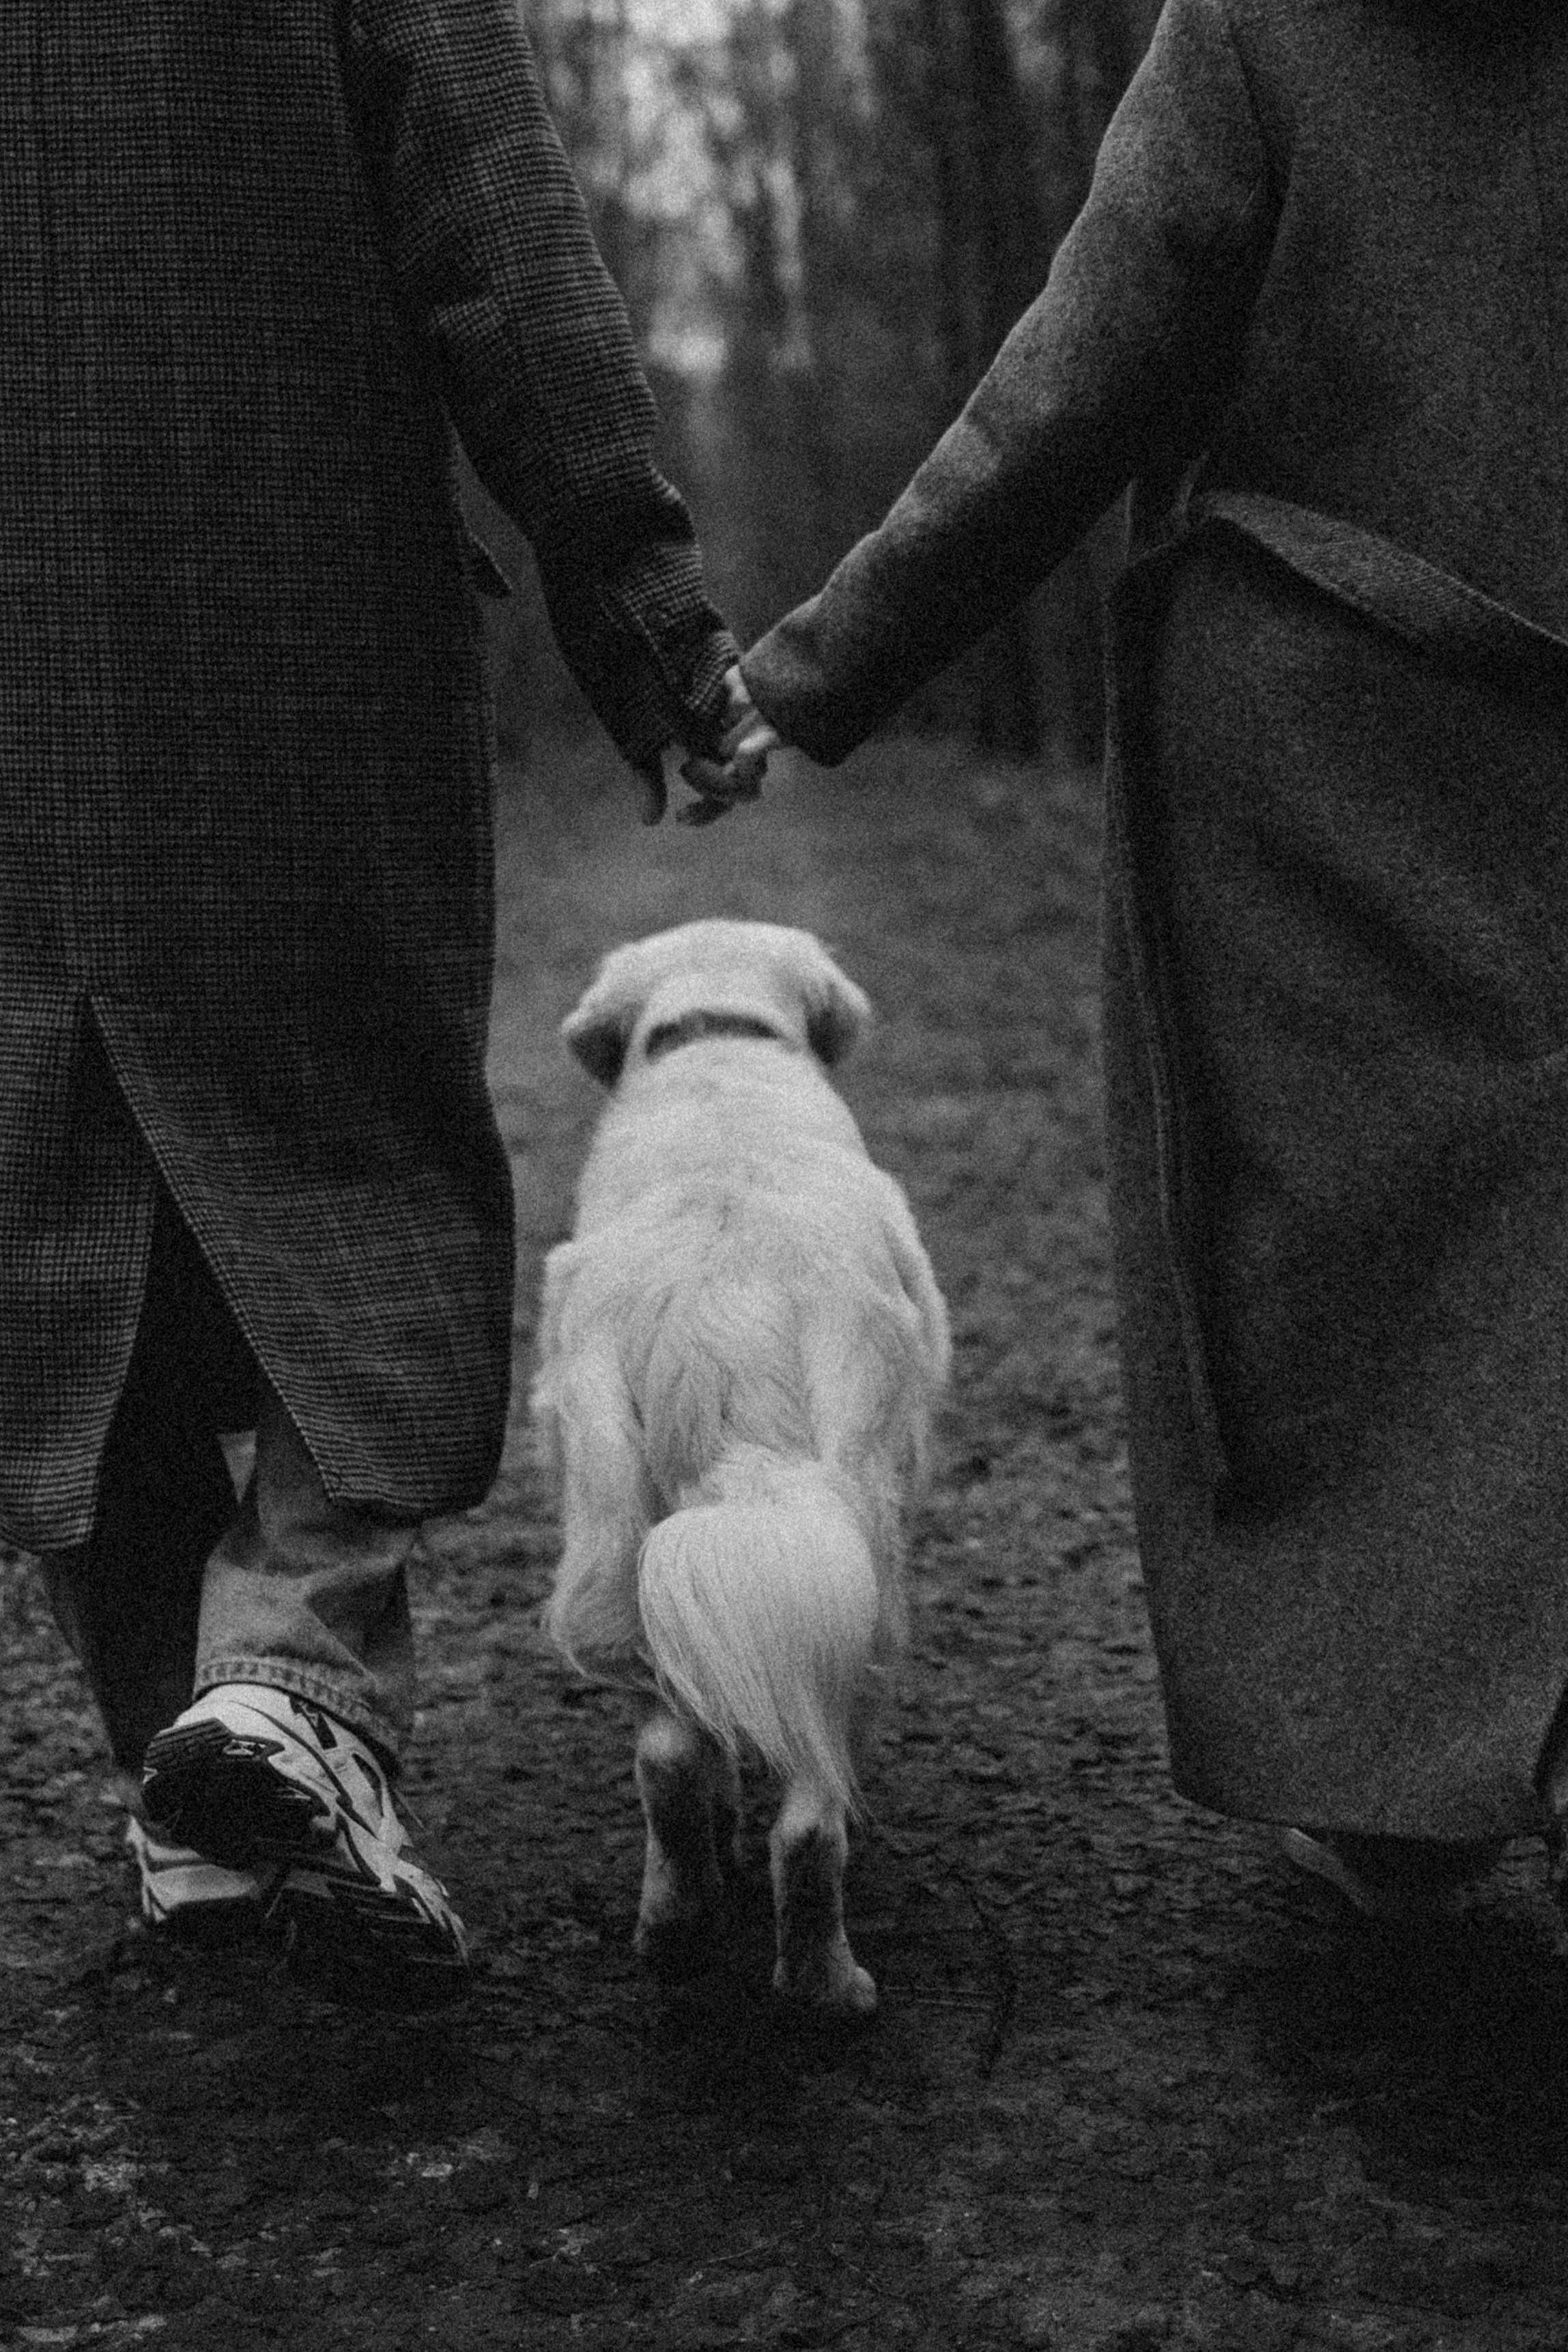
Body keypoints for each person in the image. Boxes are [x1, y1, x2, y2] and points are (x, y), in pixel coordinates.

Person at [727, 0, 1568, 1918]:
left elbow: (1075, 386)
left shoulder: (1267, 34)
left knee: (1316, 1259)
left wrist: (811, 669)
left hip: (1323, 743)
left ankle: (1395, 1770)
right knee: (1532, 1231)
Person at [2, 0, 754, 2007]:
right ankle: (284, 1697)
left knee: (54, 1199)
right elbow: (500, 244)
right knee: (341, 1152)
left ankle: (209, 1781)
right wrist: (640, 606)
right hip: (290, 628)